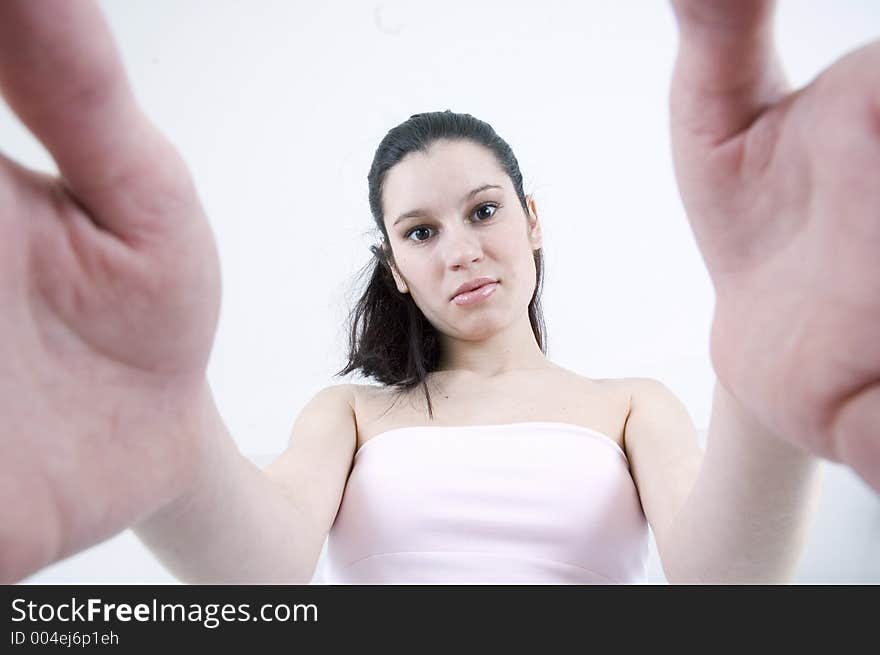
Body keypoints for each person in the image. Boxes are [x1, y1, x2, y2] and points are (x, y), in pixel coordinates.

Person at [0, 0, 875, 585]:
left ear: (532, 219)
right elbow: (260, 573)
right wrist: (172, 441)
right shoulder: (347, 417)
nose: (460, 251)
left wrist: (757, 387)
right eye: (421, 231)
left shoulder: (632, 406)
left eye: (483, 210)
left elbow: (724, 585)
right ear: (395, 265)